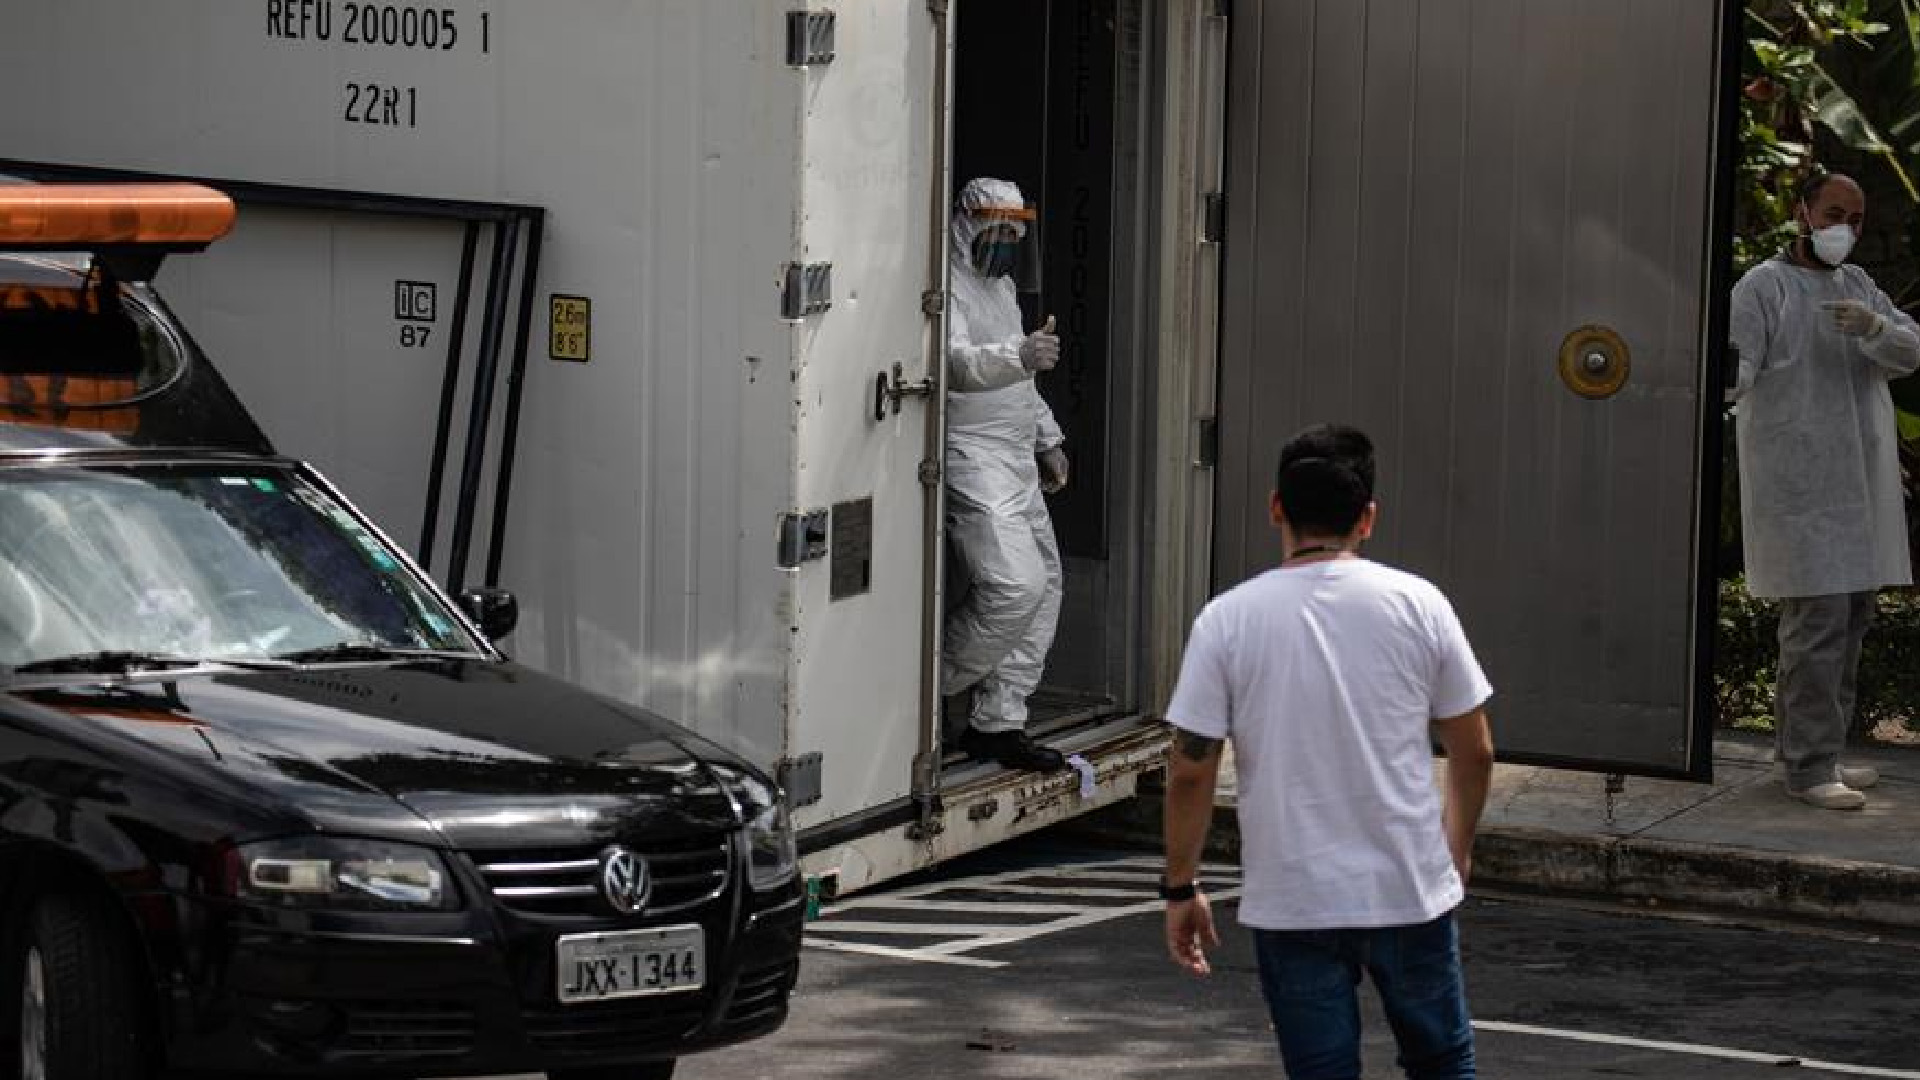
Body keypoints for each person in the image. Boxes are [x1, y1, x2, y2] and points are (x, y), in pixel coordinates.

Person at [1160, 423, 1496, 1080]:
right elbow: (1474, 750)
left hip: (1295, 897)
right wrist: (1453, 846)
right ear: (1367, 519)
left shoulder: (1228, 620)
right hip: (1408, 887)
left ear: (1276, 507)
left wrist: (1181, 885)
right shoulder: (1419, 604)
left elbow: (1190, 769)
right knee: (1443, 1062)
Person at [1729, 170, 1919, 811]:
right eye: (1835, 212)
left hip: (1857, 487)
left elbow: (1911, 350)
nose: (1846, 228)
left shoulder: (1858, 284)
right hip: (1800, 487)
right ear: (1802, 211)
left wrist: (1873, 327)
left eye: (1856, 218)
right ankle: (1809, 768)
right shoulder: (1763, 287)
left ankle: (1821, 750)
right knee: (1817, 626)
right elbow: (1734, 368)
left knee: (1852, 620)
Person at [941, 177, 1070, 773]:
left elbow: (1025, 379)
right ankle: (927, 689)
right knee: (1013, 587)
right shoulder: (946, 287)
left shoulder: (1003, 288)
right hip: (972, 454)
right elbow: (955, 366)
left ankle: (998, 721)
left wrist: (1048, 438)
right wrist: (1016, 356)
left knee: (1044, 585)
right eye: (997, 232)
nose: (1007, 245)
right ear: (969, 224)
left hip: (1015, 453)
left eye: (1015, 235)